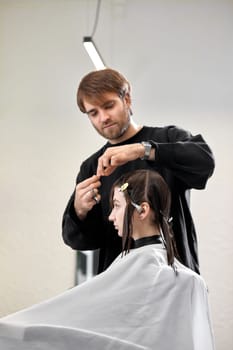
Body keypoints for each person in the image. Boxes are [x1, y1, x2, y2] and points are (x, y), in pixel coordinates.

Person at [0, 170, 215, 350]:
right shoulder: (187, 279)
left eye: (117, 206)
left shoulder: (148, 269)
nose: (111, 216)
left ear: (143, 211)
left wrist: (12, 329)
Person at [62, 68, 215, 274]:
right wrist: (79, 211)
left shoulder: (167, 138)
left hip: (174, 280)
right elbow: (81, 241)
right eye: (93, 112)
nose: (103, 117)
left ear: (127, 99)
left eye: (109, 106)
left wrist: (143, 150)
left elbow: (204, 162)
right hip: (121, 288)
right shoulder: (92, 167)